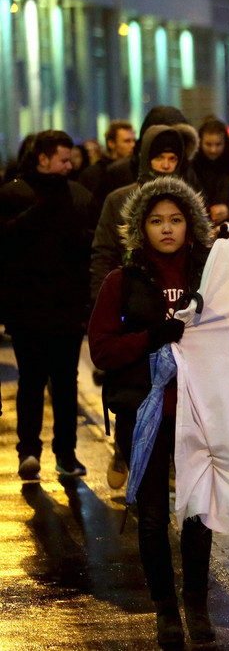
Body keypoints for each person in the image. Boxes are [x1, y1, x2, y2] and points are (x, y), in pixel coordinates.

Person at [88, 175, 215, 648]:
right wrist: (150, 339)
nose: (167, 229)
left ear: (190, 225)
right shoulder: (121, 281)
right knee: (153, 518)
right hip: (146, 414)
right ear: (141, 228)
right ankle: (167, 610)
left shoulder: (212, 277)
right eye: (157, 220)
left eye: (176, 220)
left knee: (200, 513)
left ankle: (198, 607)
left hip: (200, 412)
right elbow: (101, 349)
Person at [0, 130, 96, 479]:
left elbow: (88, 246)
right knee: (32, 381)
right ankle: (29, 451)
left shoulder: (78, 195)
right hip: (27, 308)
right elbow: (7, 243)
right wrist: (42, 210)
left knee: (65, 382)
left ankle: (66, 453)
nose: (69, 165)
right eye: (63, 159)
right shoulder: (14, 193)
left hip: (67, 307)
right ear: (43, 159)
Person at [90, 122, 198, 300]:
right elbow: (104, 254)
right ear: (146, 159)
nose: (166, 165)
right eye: (159, 158)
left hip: (179, 295)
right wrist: (103, 300)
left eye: (172, 159)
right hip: (130, 293)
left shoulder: (188, 200)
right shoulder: (119, 200)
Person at [193, 117, 229, 224]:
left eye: (218, 144)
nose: (213, 150)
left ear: (225, 143)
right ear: (200, 142)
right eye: (208, 144)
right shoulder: (192, 165)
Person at [79, 120, 136, 197]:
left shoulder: (135, 170)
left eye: (134, 141)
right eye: (127, 141)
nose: (133, 145)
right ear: (111, 143)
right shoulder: (94, 174)